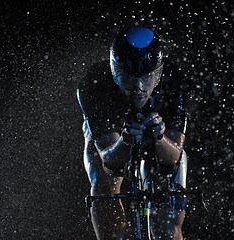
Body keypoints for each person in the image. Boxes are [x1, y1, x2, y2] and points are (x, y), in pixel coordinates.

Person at [77, 27, 190, 239]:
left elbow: (173, 156)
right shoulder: (96, 85)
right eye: (128, 78)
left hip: (155, 136)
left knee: (168, 225)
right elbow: (111, 162)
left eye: (147, 78)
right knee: (105, 184)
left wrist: (159, 137)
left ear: (158, 75)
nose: (138, 87)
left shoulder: (174, 81)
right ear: (114, 73)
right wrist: (126, 141)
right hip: (114, 139)